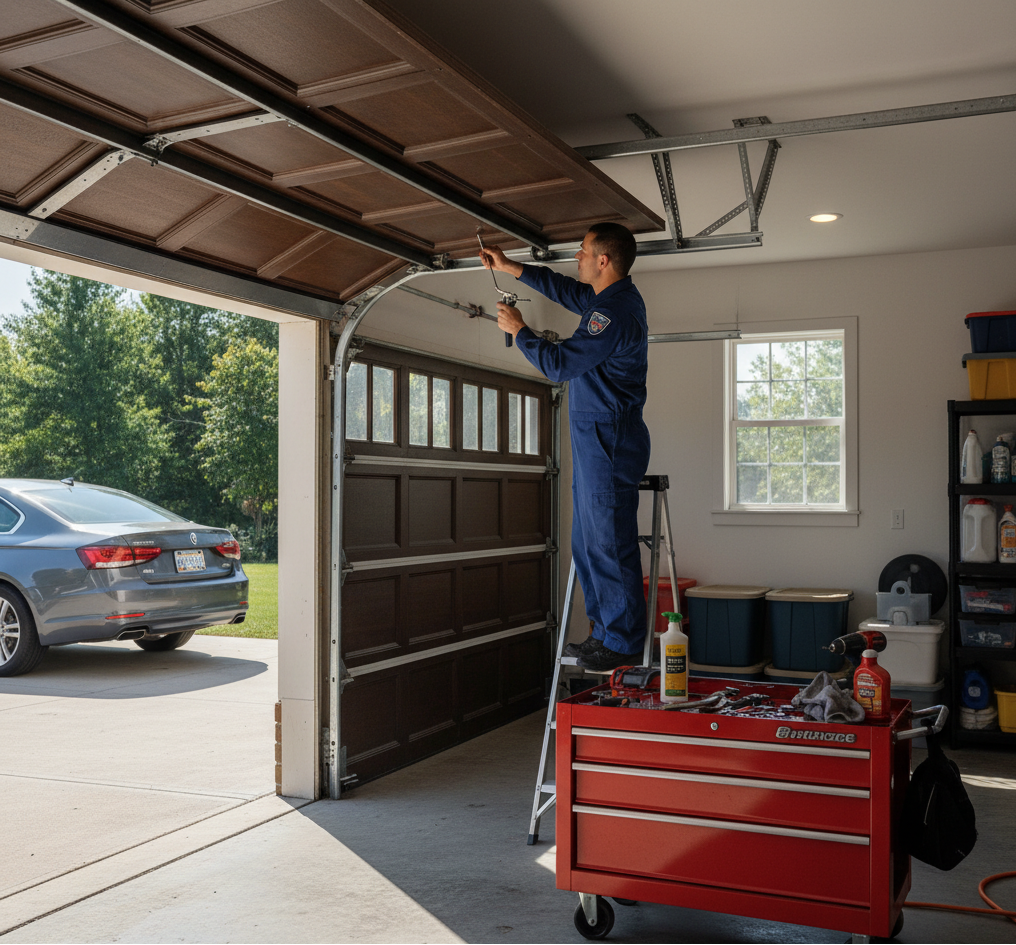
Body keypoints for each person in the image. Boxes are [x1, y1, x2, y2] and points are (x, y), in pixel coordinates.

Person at [480, 223, 650, 672]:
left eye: (582, 250)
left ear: (603, 261)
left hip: (608, 437)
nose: (576, 256)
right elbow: (563, 289)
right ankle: (605, 633)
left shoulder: (612, 314)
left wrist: (520, 331)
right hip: (597, 436)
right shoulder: (608, 299)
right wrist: (511, 267)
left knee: (609, 542)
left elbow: (558, 365)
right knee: (588, 543)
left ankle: (623, 640)